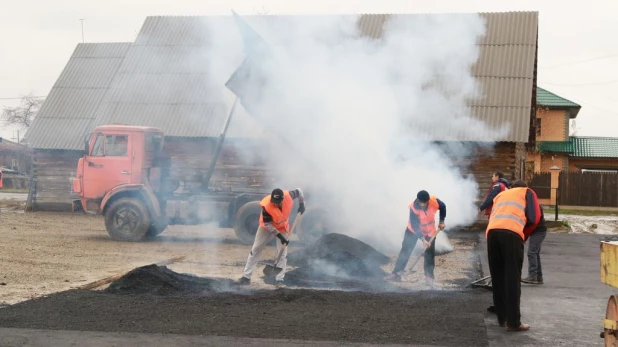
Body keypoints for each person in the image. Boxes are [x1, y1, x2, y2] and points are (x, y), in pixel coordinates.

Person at [486, 179, 542, 332]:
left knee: (497, 277)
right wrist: (523, 236)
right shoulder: (528, 192)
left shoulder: (501, 195)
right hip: (511, 234)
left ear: (512, 187)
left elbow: (491, 214)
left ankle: (502, 318)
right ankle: (513, 322)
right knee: (512, 277)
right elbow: (534, 218)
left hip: (492, 234)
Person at [237, 188, 306, 287]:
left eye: (278, 202)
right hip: (266, 227)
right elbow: (268, 224)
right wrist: (279, 236)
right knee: (256, 249)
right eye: (274, 202)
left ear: (283, 198)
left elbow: (299, 191)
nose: (276, 204)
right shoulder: (266, 205)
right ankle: (246, 277)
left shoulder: (289, 195)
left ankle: (279, 280)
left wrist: (302, 204)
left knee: (282, 253)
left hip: (282, 227)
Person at [385, 190, 446, 288]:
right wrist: (422, 239)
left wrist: (442, 221)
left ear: (428, 200)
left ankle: (429, 277)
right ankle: (396, 274)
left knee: (429, 253)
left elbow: (443, 207)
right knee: (405, 250)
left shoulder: (434, 201)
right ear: (418, 200)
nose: (422, 205)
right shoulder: (413, 207)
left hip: (430, 230)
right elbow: (414, 225)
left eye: (425, 203)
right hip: (413, 230)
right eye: (421, 203)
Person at [522, 207, 547, 285]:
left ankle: (532, 276)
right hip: (536, 230)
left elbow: (533, 222)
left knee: (532, 252)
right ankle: (539, 277)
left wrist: (524, 237)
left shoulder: (534, 206)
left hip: (539, 231)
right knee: (535, 253)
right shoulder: (530, 204)